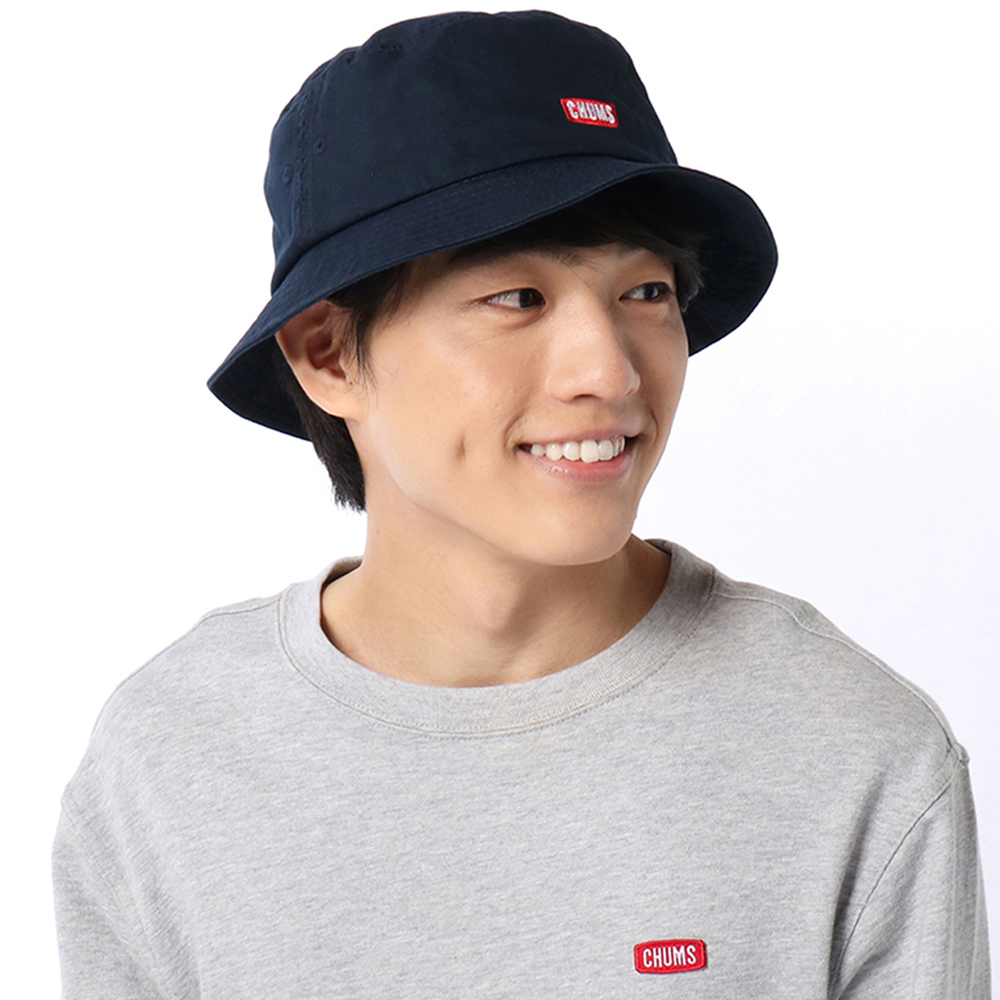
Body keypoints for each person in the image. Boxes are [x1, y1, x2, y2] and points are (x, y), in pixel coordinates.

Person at [52, 10, 989, 998]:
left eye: (647, 292)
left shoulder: (851, 755)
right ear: (328, 354)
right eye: (518, 299)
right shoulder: (171, 760)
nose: (610, 372)